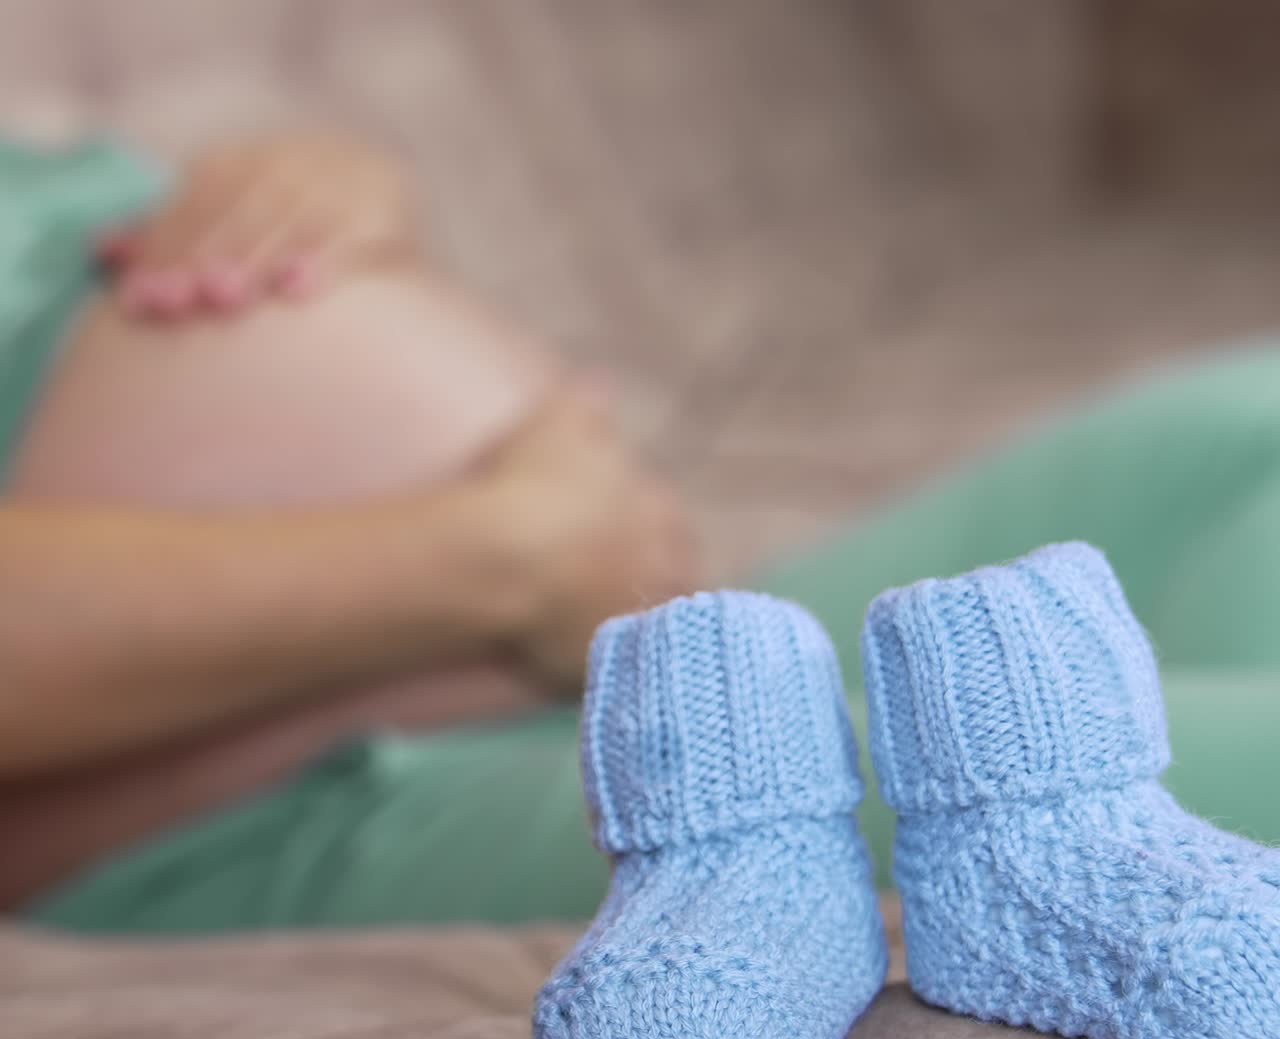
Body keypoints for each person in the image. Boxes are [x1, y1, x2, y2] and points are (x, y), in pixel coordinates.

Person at [4, 128, 1280, 934]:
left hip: (607, 611)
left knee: (1254, 415)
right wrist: (499, 555)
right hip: (282, 798)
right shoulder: (509, 568)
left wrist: (295, 181)